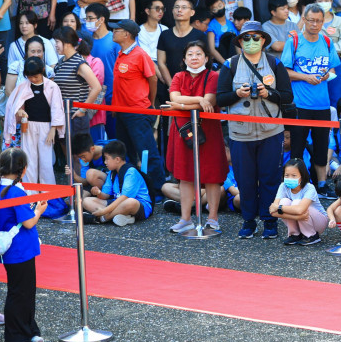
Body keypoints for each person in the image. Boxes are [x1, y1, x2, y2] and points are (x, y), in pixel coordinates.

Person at [218, 21, 294, 239]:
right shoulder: (229, 65)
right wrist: (237, 94)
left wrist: (268, 93)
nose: (251, 42)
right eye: (246, 38)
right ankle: (248, 221)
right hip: (240, 133)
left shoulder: (275, 63)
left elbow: (288, 97)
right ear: (240, 41)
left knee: (270, 177)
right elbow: (221, 98)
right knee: (245, 179)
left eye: (255, 38)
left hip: (271, 131)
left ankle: (270, 221)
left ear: (263, 40)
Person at [162, 40, 227, 234]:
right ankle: (185, 219)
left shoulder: (214, 76)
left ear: (207, 58)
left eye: (199, 54)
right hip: (182, 130)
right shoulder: (178, 76)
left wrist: (180, 106)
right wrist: (197, 100)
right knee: (185, 174)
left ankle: (213, 218)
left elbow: (209, 102)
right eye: (190, 54)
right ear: (184, 58)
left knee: (212, 175)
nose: (194, 57)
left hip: (209, 130)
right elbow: (174, 97)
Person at [280, 4, 340, 197]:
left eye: (319, 21)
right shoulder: (294, 42)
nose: (315, 24)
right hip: (299, 105)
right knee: (296, 148)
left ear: (323, 21)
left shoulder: (327, 42)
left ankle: (322, 184)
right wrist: (306, 77)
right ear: (304, 20)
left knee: (321, 146)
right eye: (311, 20)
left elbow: (333, 69)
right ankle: (294, 186)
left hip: (322, 104)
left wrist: (324, 76)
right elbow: (285, 72)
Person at [0, 147, 47, 342]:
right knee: (21, 293)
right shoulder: (15, 191)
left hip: (12, 250)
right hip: (20, 249)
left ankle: (27, 331)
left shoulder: (1, 187)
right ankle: (16, 340)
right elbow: (28, 222)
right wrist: (39, 210)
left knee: (20, 292)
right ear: (23, 170)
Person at [110, 20, 166, 191]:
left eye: (116, 30)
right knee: (126, 152)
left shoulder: (140, 54)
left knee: (147, 151)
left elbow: (153, 79)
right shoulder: (121, 54)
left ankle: (157, 189)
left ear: (126, 34)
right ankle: (130, 187)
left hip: (138, 112)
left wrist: (149, 102)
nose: (113, 32)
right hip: (121, 111)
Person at [2, 56, 63, 184]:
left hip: (46, 126)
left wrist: (53, 129)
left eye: (36, 77)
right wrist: (19, 111)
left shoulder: (52, 86)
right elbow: (13, 105)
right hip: (27, 126)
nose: (33, 79)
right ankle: (30, 194)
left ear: (43, 71)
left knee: (46, 162)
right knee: (29, 161)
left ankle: (49, 196)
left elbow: (57, 108)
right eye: (30, 77)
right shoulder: (23, 85)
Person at [82, 139, 153, 226]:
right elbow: (106, 195)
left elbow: (124, 198)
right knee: (86, 201)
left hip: (139, 206)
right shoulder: (112, 172)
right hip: (117, 204)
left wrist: (104, 211)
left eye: (107, 159)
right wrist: (98, 193)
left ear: (117, 159)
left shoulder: (131, 172)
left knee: (130, 202)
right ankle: (124, 217)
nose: (105, 162)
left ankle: (103, 219)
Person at [51, 26, 101, 138]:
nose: (55, 45)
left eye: (57, 42)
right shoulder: (61, 61)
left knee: (78, 153)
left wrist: (82, 109)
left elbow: (97, 87)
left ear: (67, 43)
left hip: (75, 117)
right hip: (61, 115)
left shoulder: (79, 63)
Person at [157, 0, 206, 90]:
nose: (179, 10)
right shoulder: (165, 35)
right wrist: (172, 86)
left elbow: (204, 62)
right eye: (176, 7)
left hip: (195, 86)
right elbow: (161, 62)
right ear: (172, 11)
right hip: (170, 85)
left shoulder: (200, 36)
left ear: (192, 12)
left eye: (184, 7)